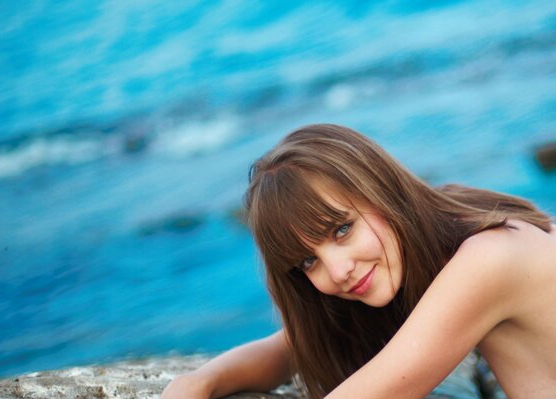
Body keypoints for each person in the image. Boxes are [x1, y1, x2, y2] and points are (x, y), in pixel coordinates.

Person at [162, 124, 556, 398]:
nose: (338, 270)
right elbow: (292, 348)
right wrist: (199, 382)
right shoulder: (447, 222)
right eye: (307, 262)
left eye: (341, 230)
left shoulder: (488, 258)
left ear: (382, 190)